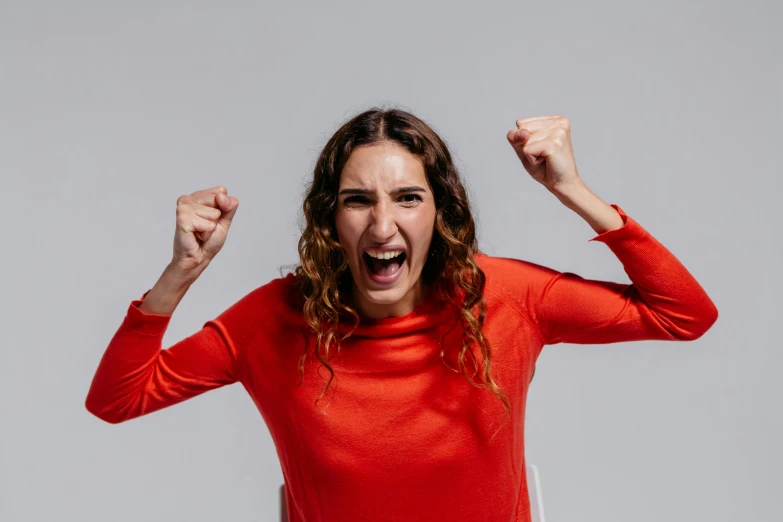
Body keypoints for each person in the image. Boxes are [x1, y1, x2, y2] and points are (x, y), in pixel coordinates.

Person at [84, 108, 718, 522]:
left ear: (437, 212)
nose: (382, 224)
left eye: (408, 198)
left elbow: (685, 314)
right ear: (331, 219)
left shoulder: (506, 296)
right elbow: (118, 398)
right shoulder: (275, 319)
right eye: (358, 200)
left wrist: (571, 190)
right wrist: (181, 274)